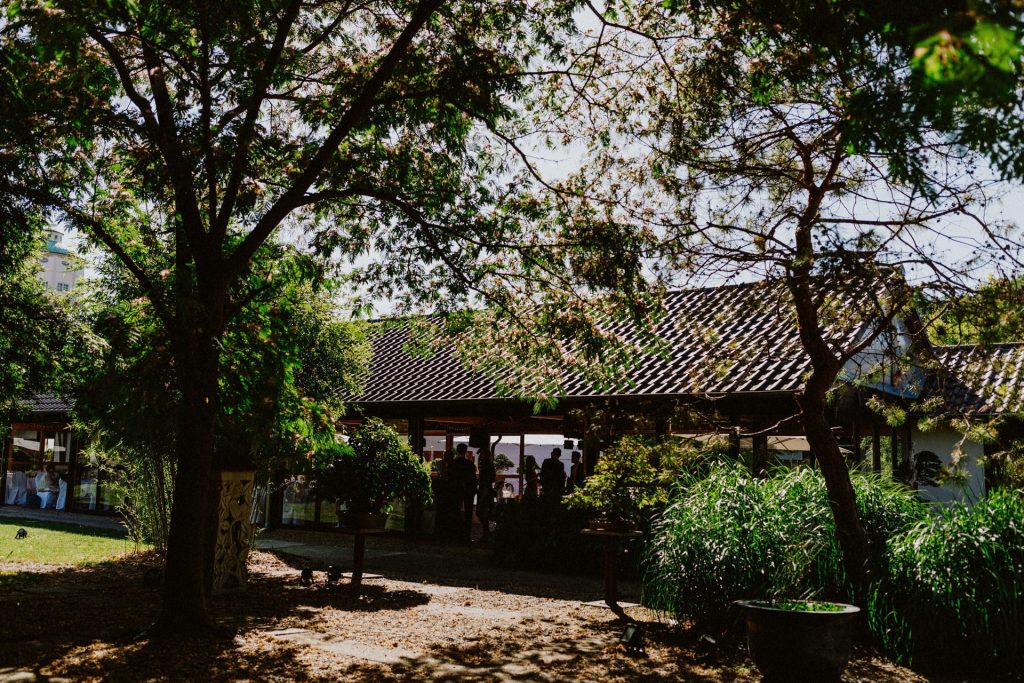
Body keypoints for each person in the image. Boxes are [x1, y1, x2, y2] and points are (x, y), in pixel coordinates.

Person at [448, 443, 478, 543]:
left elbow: (450, 478)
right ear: (465, 451)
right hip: (468, 491)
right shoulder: (470, 464)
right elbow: (473, 479)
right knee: (468, 513)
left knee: (456, 511)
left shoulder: (453, 463)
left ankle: (455, 534)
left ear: (457, 450)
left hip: (455, 491)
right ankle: (466, 535)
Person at [475, 447, 496, 543]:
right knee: (483, 512)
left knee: (481, 511)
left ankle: (486, 533)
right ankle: (486, 533)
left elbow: (486, 480)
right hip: (485, 489)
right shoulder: (489, 465)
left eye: (481, 455)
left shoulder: (487, 466)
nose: (480, 457)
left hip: (485, 490)